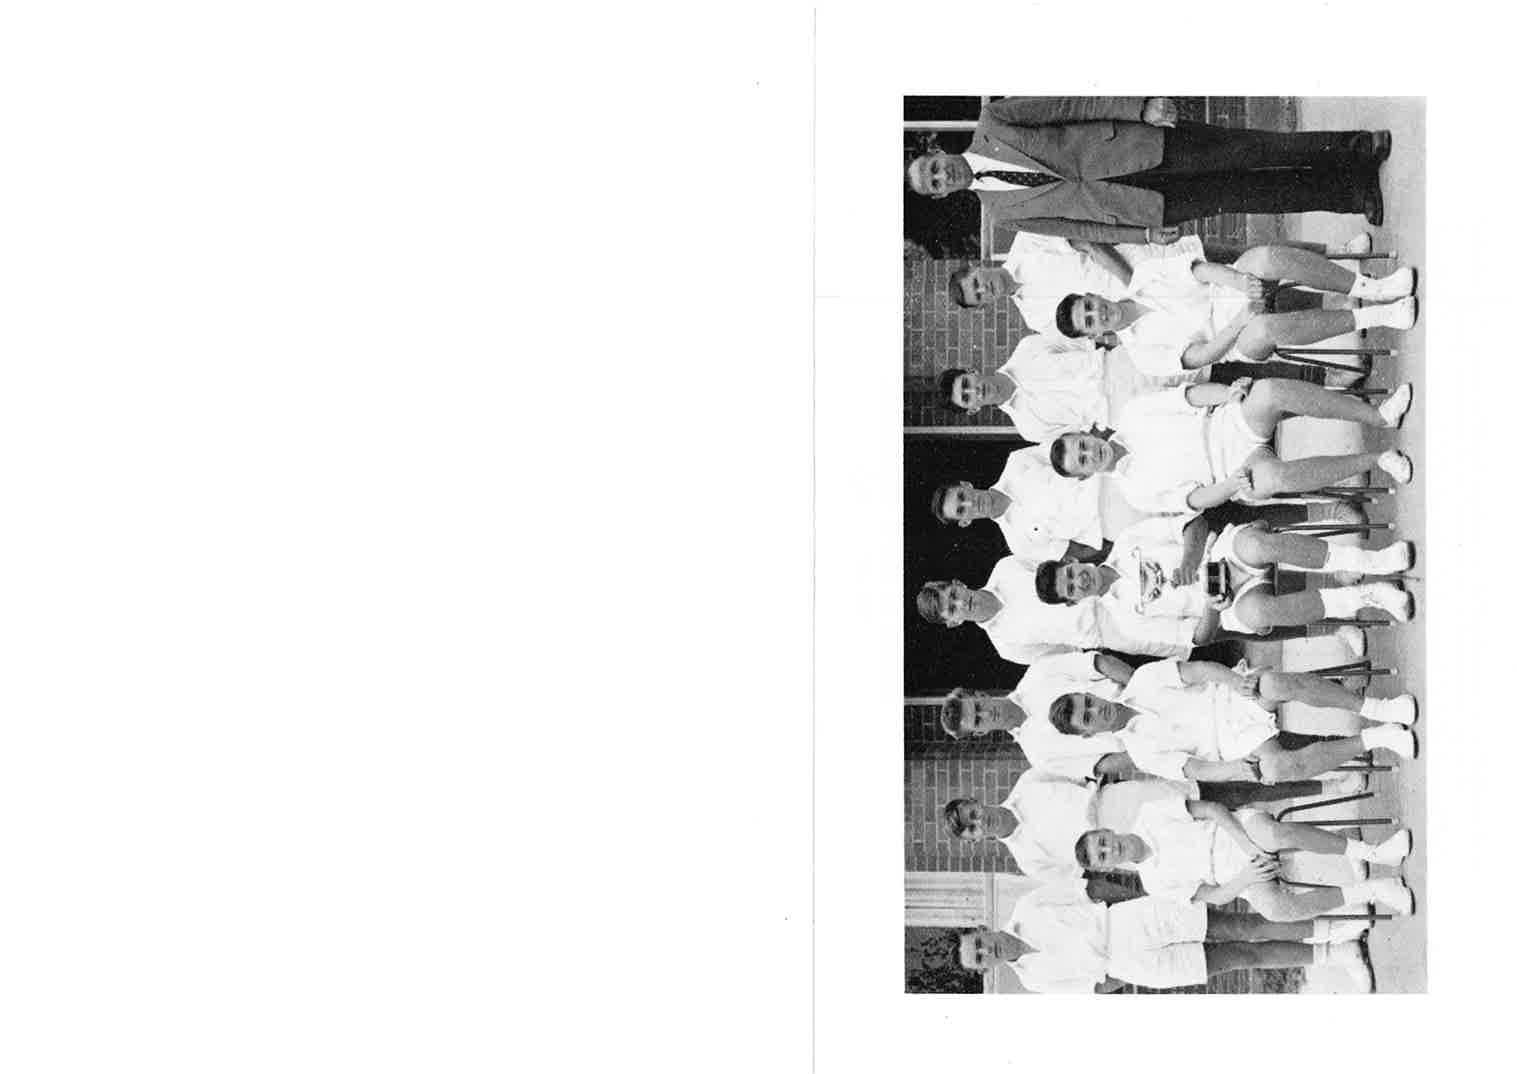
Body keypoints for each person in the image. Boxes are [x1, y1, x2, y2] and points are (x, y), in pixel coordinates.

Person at [906, 97, 1390, 241]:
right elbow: (1079, 229)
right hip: (1139, 207)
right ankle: (1352, 196)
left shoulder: (994, 121)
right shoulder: (1003, 215)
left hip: (1138, 143)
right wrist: (1141, 236)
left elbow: (1070, 105)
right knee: (1251, 196)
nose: (942, 176)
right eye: (934, 183)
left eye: (934, 167)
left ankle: (1355, 148)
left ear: (939, 152)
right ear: (940, 195)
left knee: (1250, 150)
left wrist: (1139, 108)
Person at [1048, 376, 1416, 515]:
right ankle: (1379, 458)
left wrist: (1229, 394)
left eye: (1083, 445)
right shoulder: (1134, 493)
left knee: (1268, 392)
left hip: (1228, 420)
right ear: (1085, 476)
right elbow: (1194, 500)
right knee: (1272, 478)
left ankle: (1380, 416)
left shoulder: (1132, 413)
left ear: (1086, 433)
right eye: (1083, 461)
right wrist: (1230, 485)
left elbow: (1189, 396)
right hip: (1230, 473)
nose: (1090, 452)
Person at [1032, 514, 1420, 642]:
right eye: (1072, 589)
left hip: (1222, 552)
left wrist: (1190, 557)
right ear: (1073, 602)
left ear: (1073, 561)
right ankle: (1372, 595)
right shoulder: (1126, 620)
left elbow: (1195, 524)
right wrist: (1212, 607)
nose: (1079, 581)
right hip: (1227, 603)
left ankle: (1376, 561)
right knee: (1259, 614)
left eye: (1071, 573)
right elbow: (1197, 637)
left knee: (1258, 545)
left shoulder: (1129, 539)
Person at [941, 766, 1366, 883]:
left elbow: (1092, 770)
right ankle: (1331, 846)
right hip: (1122, 847)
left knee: (1232, 796)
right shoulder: (1028, 860)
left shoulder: (1029, 781)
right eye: (973, 828)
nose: (981, 821)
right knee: (1234, 850)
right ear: (975, 840)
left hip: (1124, 802)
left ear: (976, 802)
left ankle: (1330, 782)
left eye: (973, 813)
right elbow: (1088, 874)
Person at [1052, 243, 1417, 376]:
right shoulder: (1141, 356)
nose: (1098, 314)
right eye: (1090, 322)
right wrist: (1242, 320)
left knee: (1264, 258)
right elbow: (1202, 355)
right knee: (1264, 329)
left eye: (1089, 306)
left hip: (1230, 289)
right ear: (1096, 335)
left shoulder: (1143, 278)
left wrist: (1241, 282)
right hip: (1235, 340)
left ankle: (1376, 289)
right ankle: (1382, 316)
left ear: (1093, 295)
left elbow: (1199, 270)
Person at [1048, 658, 1418, 785]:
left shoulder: (1142, 680)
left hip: (1231, 696)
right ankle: (1378, 738)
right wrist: (1237, 770)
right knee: (1275, 768)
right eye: (1087, 718)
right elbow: (1196, 769)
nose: (1096, 711)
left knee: (1272, 684)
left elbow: (1198, 670)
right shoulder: (1141, 754)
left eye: (1088, 702)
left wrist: (1236, 682)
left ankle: (1378, 709)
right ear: (1088, 735)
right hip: (1232, 744)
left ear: (1092, 693)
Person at [956, 880, 1373, 992]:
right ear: (986, 968)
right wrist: (1127, 971)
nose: (986, 950)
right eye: (980, 958)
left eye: (979, 942)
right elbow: (1095, 988)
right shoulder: (1033, 980)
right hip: (1131, 965)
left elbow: (1091, 889)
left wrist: (1140, 903)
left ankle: (1336, 927)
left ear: (983, 929)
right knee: (1241, 957)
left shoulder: (1029, 906)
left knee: (1242, 927)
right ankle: (1339, 954)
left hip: (1128, 920)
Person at [1076, 795, 1414, 920]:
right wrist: (1247, 877)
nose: (1110, 849)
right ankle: (1376, 889)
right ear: (1110, 867)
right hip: (1238, 875)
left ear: (1107, 830)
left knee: (1274, 835)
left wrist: (1248, 847)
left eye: (1103, 842)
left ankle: (1376, 853)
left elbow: (1212, 809)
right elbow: (1215, 896)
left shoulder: (1149, 813)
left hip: (1237, 831)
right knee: (1276, 910)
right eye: (1103, 857)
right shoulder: (1154, 882)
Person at [916, 555, 1195, 664]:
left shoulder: (1006, 568)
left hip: (1103, 587)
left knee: (1183, 591)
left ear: (959, 584)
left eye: (954, 595)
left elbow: (1058, 565)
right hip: (1111, 631)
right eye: (952, 609)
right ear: (953, 622)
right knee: (1189, 636)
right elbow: (1064, 655)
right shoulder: (1006, 645)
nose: (961, 603)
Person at [930, 444, 1106, 563]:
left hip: (1109, 479)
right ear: (965, 522)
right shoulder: (1019, 545)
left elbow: (1075, 447)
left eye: (962, 496)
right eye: (961, 510)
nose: (970, 503)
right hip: (1108, 527)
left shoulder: (1018, 461)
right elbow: (1078, 553)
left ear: (966, 485)